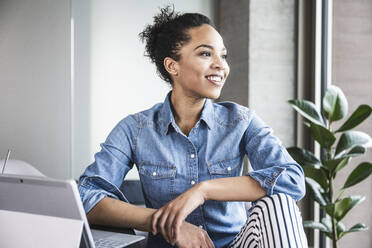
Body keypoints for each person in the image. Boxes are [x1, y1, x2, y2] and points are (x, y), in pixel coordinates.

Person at [78, 6, 308, 248]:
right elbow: (87, 197)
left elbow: (292, 179)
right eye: (206, 54)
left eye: (223, 55)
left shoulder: (241, 121)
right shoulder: (135, 130)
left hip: (235, 243)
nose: (221, 65)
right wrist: (165, 221)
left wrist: (204, 190)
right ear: (172, 66)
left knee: (278, 203)